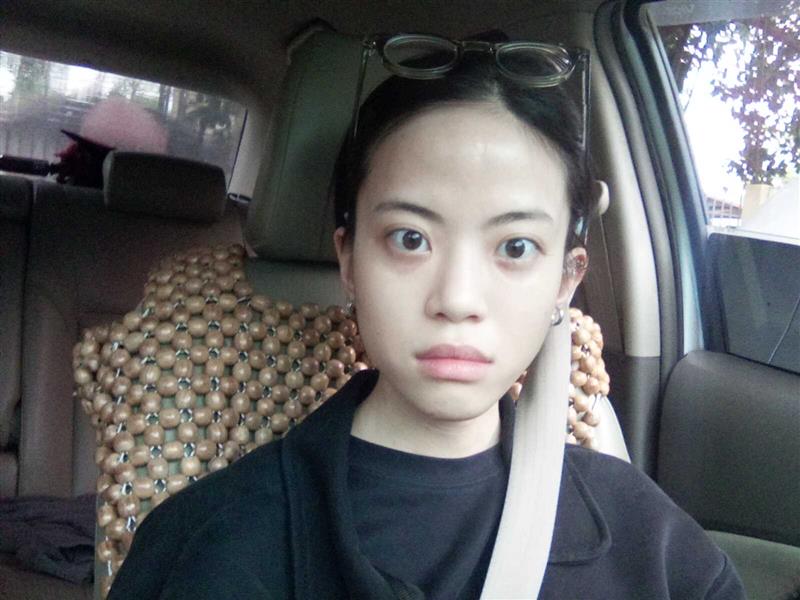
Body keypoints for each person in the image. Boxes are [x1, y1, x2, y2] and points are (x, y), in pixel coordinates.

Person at [108, 36, 745, 599]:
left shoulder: (649, 540)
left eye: (515, 247)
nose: (458, 298)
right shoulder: (211, 544)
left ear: (565, 281)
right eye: (410, 239)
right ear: (349, 260)